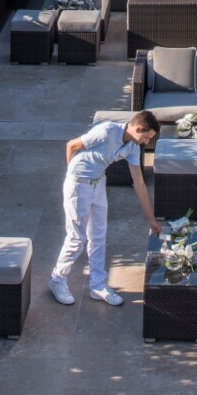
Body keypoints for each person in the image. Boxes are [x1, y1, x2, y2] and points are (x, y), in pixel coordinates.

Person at [50, 110, 162, 306]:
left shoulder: (133, 147)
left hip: (99, 183)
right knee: (77, 238)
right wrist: (73, 176)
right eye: (146, 137)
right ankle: (57, 279)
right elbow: (72, 145)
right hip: (78, 185)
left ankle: (98, 285)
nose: (146, 142)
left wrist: (151, 219)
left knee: (99, 236)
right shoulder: (106, 131)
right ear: (137, 129)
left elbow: (139, 183)